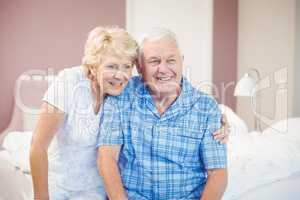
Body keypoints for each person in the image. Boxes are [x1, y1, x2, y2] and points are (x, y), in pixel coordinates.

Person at [97, 28, 228, 200]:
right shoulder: (121, 95)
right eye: (154, 61)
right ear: (139, 67)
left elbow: (217, 172)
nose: (163, 69)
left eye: (171, 61)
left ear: (181, 62)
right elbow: (107, 157)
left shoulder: (206, 107)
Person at [30, 26, 139, 200]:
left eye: (126, 67)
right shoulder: (68, 83)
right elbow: (38, 146)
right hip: (58, 184)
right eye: (112, 66)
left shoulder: (123, 93)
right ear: (93, 66)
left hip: (94, 189)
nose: (120, 75)